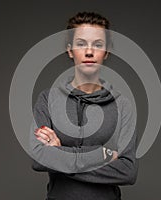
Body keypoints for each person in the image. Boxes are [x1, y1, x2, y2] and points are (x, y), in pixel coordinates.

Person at [30, 12, 138, 200]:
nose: (89, 51)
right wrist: (103, 154)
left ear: (107, 51)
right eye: (81, 44)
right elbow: (38, 159)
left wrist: (59, 151)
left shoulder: (122, 105)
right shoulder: (48, 99)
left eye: (97, 44)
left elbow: (128, 171)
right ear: (70, 50)